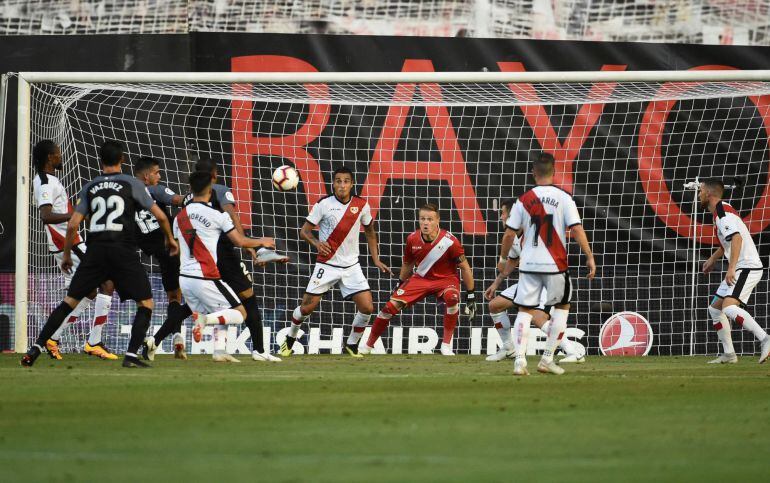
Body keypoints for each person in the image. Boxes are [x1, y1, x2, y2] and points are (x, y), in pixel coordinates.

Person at [22, 140, 178, 368]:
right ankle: (131, 355)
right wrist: (170, 240)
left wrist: (66, 255)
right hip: (122, 250)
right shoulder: (131, 183)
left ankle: (36, 347)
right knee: (146, 303)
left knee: (69, 301)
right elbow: (162, 217)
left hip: (95, 251)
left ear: (100, 161)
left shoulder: (90, 186)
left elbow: (74, 223)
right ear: (121, 160)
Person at [280, 166, 391, 358]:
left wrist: (376, 259)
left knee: (367, 308)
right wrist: (316, 243)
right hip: (327, 265)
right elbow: (304, 231)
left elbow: (371, 232)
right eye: (338, 181)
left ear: (352, 184)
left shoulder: (362, 205)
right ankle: (290, 338)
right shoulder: (323, 204)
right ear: (333, 183)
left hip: (351, 266)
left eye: (346, 181)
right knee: (306, 307)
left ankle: (352, 345)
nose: (342, 185)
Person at [501, 153, 596, 375]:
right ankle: (546, 359)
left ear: (533, 173)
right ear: (554, 172)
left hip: (529, 265)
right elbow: (577, 229)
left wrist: (503, 258)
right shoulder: (564, 198)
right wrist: (589, 256)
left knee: (525, 310)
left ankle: (520, 362)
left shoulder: (523, 200)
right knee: (562, 308)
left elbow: (508, 235)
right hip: (556, 265)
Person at [184, 159, 285, 362]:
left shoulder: (188, 199)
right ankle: (259, 350)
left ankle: (157, 340)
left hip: (197, 259)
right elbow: (232, 217)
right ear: (213, 175)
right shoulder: (219, 190)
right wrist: (252, 246)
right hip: (223, 253)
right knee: (247, 301)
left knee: (211, 303)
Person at [31, 140, 118, 360]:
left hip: (69, 242)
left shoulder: (50, 180)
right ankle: (94, 342)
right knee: (107, 283)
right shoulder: (44, 182)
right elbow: (46, 216)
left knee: (86, 292)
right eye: (58, 153)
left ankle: (53, 339)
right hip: (68, 244)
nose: (61, 156)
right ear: (50, 157)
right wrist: (76, 214)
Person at [360, 203, 476, 356]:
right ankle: (368, 346)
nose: (426, 223)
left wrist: (471, 294)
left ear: (437, 221)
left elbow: (465, 267)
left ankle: (446, 346)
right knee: (389, 308)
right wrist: (400, 283)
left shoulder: (450, 241)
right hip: (421, 279)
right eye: (422, 219)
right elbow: (408, 264)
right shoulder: (412, 239)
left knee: (452, 298)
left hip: (446, 279)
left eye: (430, 219)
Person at [485, 198, 585, 363]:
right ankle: (509, 348)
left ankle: (573, 351)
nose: (501, 217)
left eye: (503, 213)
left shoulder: (535, 233)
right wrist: (496, 283)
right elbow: (512, 261)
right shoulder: (514, 237)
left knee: (538, 317)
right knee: (495, 306)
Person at [700, 178, 770, 364]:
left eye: (700, 191)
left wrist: (730, 268)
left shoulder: (723, 214)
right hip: (741, 266)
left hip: (747, 266)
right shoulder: (722, 210)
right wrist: (713, 259)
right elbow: (729, 241)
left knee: (729, 307)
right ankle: (729, 354)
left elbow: (737, 239)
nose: (699, 195)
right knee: (715, 309)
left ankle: (765, 339)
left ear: (708, 193)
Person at [130, 156, 191, 361]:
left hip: (159, 255)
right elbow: (179, 200)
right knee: (200, 297)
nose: (159, 176)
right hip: (176, 248)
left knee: (175, 297)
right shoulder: (154, 190)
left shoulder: (124, 194)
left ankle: (177, 338)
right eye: (156, 172)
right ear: (147, 176)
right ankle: (156, 340)